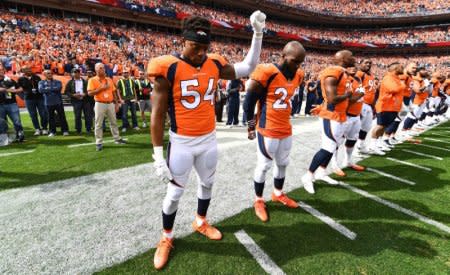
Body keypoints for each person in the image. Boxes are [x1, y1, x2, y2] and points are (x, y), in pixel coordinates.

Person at [148, 11, 266, 270]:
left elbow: (247, 67)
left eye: (204, 48)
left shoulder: (213, 63)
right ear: (184, 41)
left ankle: (200, 221)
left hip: (208, 139)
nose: (200, 53)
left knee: (208, 184)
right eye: (195, 47)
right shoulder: (168, 68)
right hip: (182, 142)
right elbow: (156, 116)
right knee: (174, 193)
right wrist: (158, 156)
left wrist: (257, 33)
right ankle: (166, 237)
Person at [243, 41, 305, 222]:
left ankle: (278, 193)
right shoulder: (266, 72)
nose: (297, 66)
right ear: (283, 56)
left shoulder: (298, 75)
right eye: (294, 61)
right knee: (263, 165)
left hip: (285, 127)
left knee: (283, 163)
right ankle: (258, 200)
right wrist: (250, 127)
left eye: (300, 62)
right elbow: (248, 103)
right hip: (267, 128)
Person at [301, 50, 355, 194]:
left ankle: (321, 172)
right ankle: (308, 176)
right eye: (351, 56)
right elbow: (332, 99)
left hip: (340, 115)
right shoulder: (333, 72)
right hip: (332, 116)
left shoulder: (343, 73)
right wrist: (347, 95)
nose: (354, 58)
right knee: (328, 147)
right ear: (343, 59)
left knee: (334, 146)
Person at [330, 65, 366, 177]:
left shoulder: (358, 79)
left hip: (356, 115)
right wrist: (359, 95)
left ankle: (348, 161)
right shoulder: (345, 80)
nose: (354, 67)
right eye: (350, 66)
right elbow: (347, 100)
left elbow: (360, 96)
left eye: (355, 65)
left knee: (352, 139)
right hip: (345, 115)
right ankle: (334, 164)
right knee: (337, 141)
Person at [368, 62, 406, 155]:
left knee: (384, 126)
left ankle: (379, 144)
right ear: (395, 69)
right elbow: (393, 89)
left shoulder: (395, 78)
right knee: (380, 126)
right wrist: (402, 85)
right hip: (385, 106)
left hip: (392, 107)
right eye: (401, 67)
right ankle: (372, 146)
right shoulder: (388, 78)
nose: (403, 69)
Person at [87, 63, 126, 151]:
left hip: (110, 103)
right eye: (100, 68)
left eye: (103, 68)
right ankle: (99, 142)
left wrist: (116, 103)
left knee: (114, 122)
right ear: (96, 70)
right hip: (99, 103)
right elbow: (89, 93)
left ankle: (117, 138)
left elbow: (114, 92)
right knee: (98, 124)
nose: (103, 69)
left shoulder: (109, 79)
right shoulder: (92, 80)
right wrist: (101, 89)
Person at [17, 67, 48, 136]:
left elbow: (41, 86)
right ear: (23, 71)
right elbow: (18, 89)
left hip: (39, 98)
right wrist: (23, 96)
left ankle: (44, 128)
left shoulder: (36, 77)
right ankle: (37, 129)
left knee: (43, 114)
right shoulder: (20, 79)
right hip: (28, 99)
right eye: (27, 70)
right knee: (33, 115)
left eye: (29, 69)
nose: (29, 70)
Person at [38, 70, 69, 137]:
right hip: (48, 103)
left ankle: (65, 130)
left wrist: (47, 89)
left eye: (51, 73)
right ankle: (52, 131)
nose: (50, 74)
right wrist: (53, 89)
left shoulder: (58, 81)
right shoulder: (41, 82)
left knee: (62, 117)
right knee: (50, 118)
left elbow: (58, 88)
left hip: (58, 102)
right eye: (48, 73)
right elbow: (41, 90)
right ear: (44, 75)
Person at [355, 59, 376, 153]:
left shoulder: (370, 75)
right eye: (366, 63)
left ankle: (360, 145)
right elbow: (356, 88)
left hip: (369, 105)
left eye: (370, 63)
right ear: (360, 64)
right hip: (362, 103)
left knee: (366, 127)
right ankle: (354, 148)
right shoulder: (359, 74)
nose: (368, 64)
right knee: (357, 127)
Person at [0, 67, 24, 142]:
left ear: (4, 71)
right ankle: (4, 138)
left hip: (11, 103)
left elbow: (20, 89)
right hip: (0, 105)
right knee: (1, 122)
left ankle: (20, 135)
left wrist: (10, 90)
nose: (0, 72)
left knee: (17, 121)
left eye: (1, 70)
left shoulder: (9, 80)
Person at [65, 68, 91, 134]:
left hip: (85, 100)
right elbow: (67, 92)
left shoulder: (85, 81)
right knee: (77, 116)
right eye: (74, 72)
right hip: (75, 101)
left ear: (79, 73)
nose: (75, 73)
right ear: (72, 74)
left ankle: (88, 129)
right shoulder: (70, 82)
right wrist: (73, 95)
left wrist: (85, 94)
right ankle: (78, 130)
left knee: (87, 115)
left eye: (77, 72)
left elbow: (89, 90)